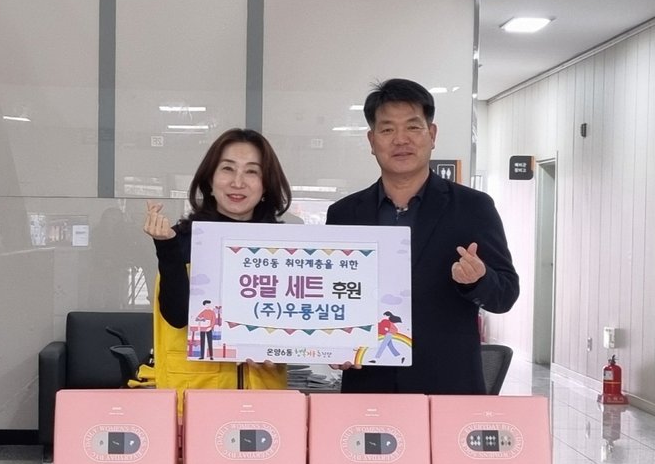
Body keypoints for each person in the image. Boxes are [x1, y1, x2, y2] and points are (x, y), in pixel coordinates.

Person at [325, 78, 519, 394]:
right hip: (369, 387)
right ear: (372, 141)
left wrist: (477, 280)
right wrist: (333, 343)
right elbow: (332, 297)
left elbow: (505, 295)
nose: (401, 139)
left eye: (413, 127)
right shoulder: (344, 214)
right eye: (387, 129)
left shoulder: (473, 207)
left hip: (448, 387)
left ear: (432, 134)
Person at [143, 127, 292, 398]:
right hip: (196, 397)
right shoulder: (182, 241)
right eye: (227, 169)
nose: (238, 182)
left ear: (266, 185)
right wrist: (167, 248)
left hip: (264, 398)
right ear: (209, 180)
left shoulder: (285, 248)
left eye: (252, 171)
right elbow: (177, 316)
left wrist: (284, 348)